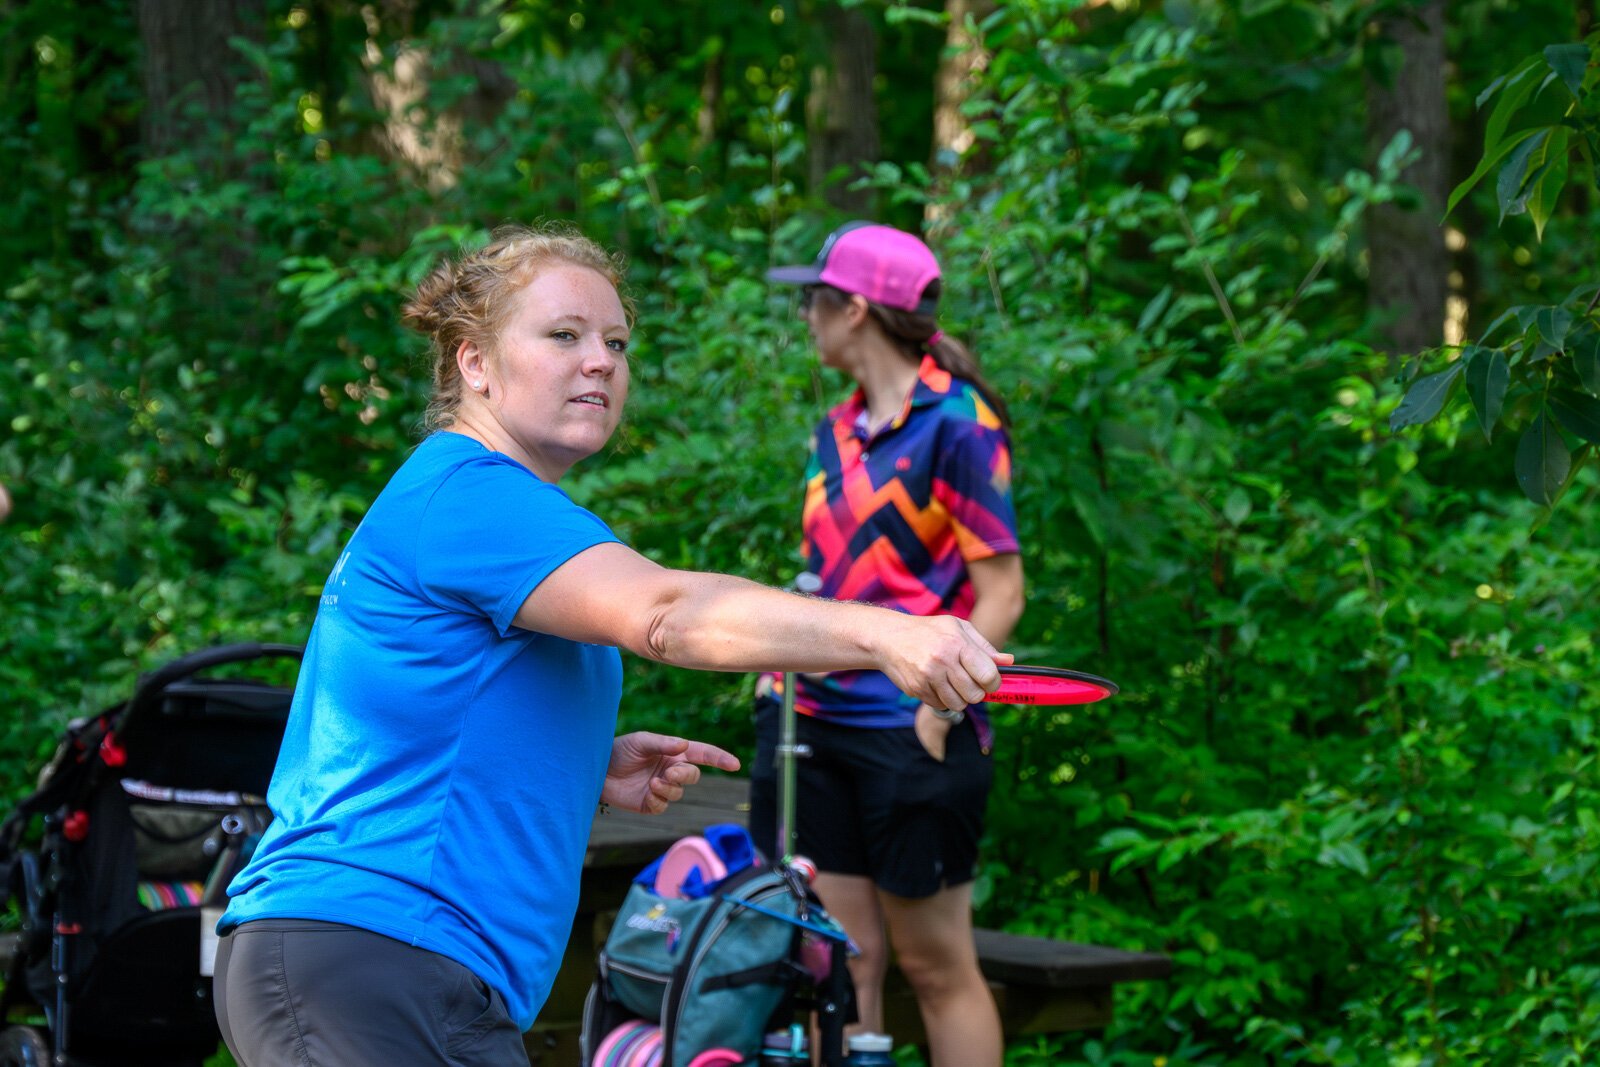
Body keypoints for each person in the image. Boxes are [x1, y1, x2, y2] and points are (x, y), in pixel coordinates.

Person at [212, 223, 1010, 1067]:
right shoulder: (472, 496)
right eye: (565, 335)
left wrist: (579, 763)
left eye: (616, 341)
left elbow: (427, 723)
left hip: (408, 967)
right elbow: (666, 612)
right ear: (473, 363)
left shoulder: (497, 510)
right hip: (370, 956)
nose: (602, 360)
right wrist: (883, 631)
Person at [753, 221, 1025, 1067]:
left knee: (937, 968)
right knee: (840, 962)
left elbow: (1003, 592)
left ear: (858, 310)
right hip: (810, 726)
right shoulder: (832, 432)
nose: (807, 316)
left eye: (816, 299)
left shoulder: (959, 423)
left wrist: (939, 714)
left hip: (911, 733)